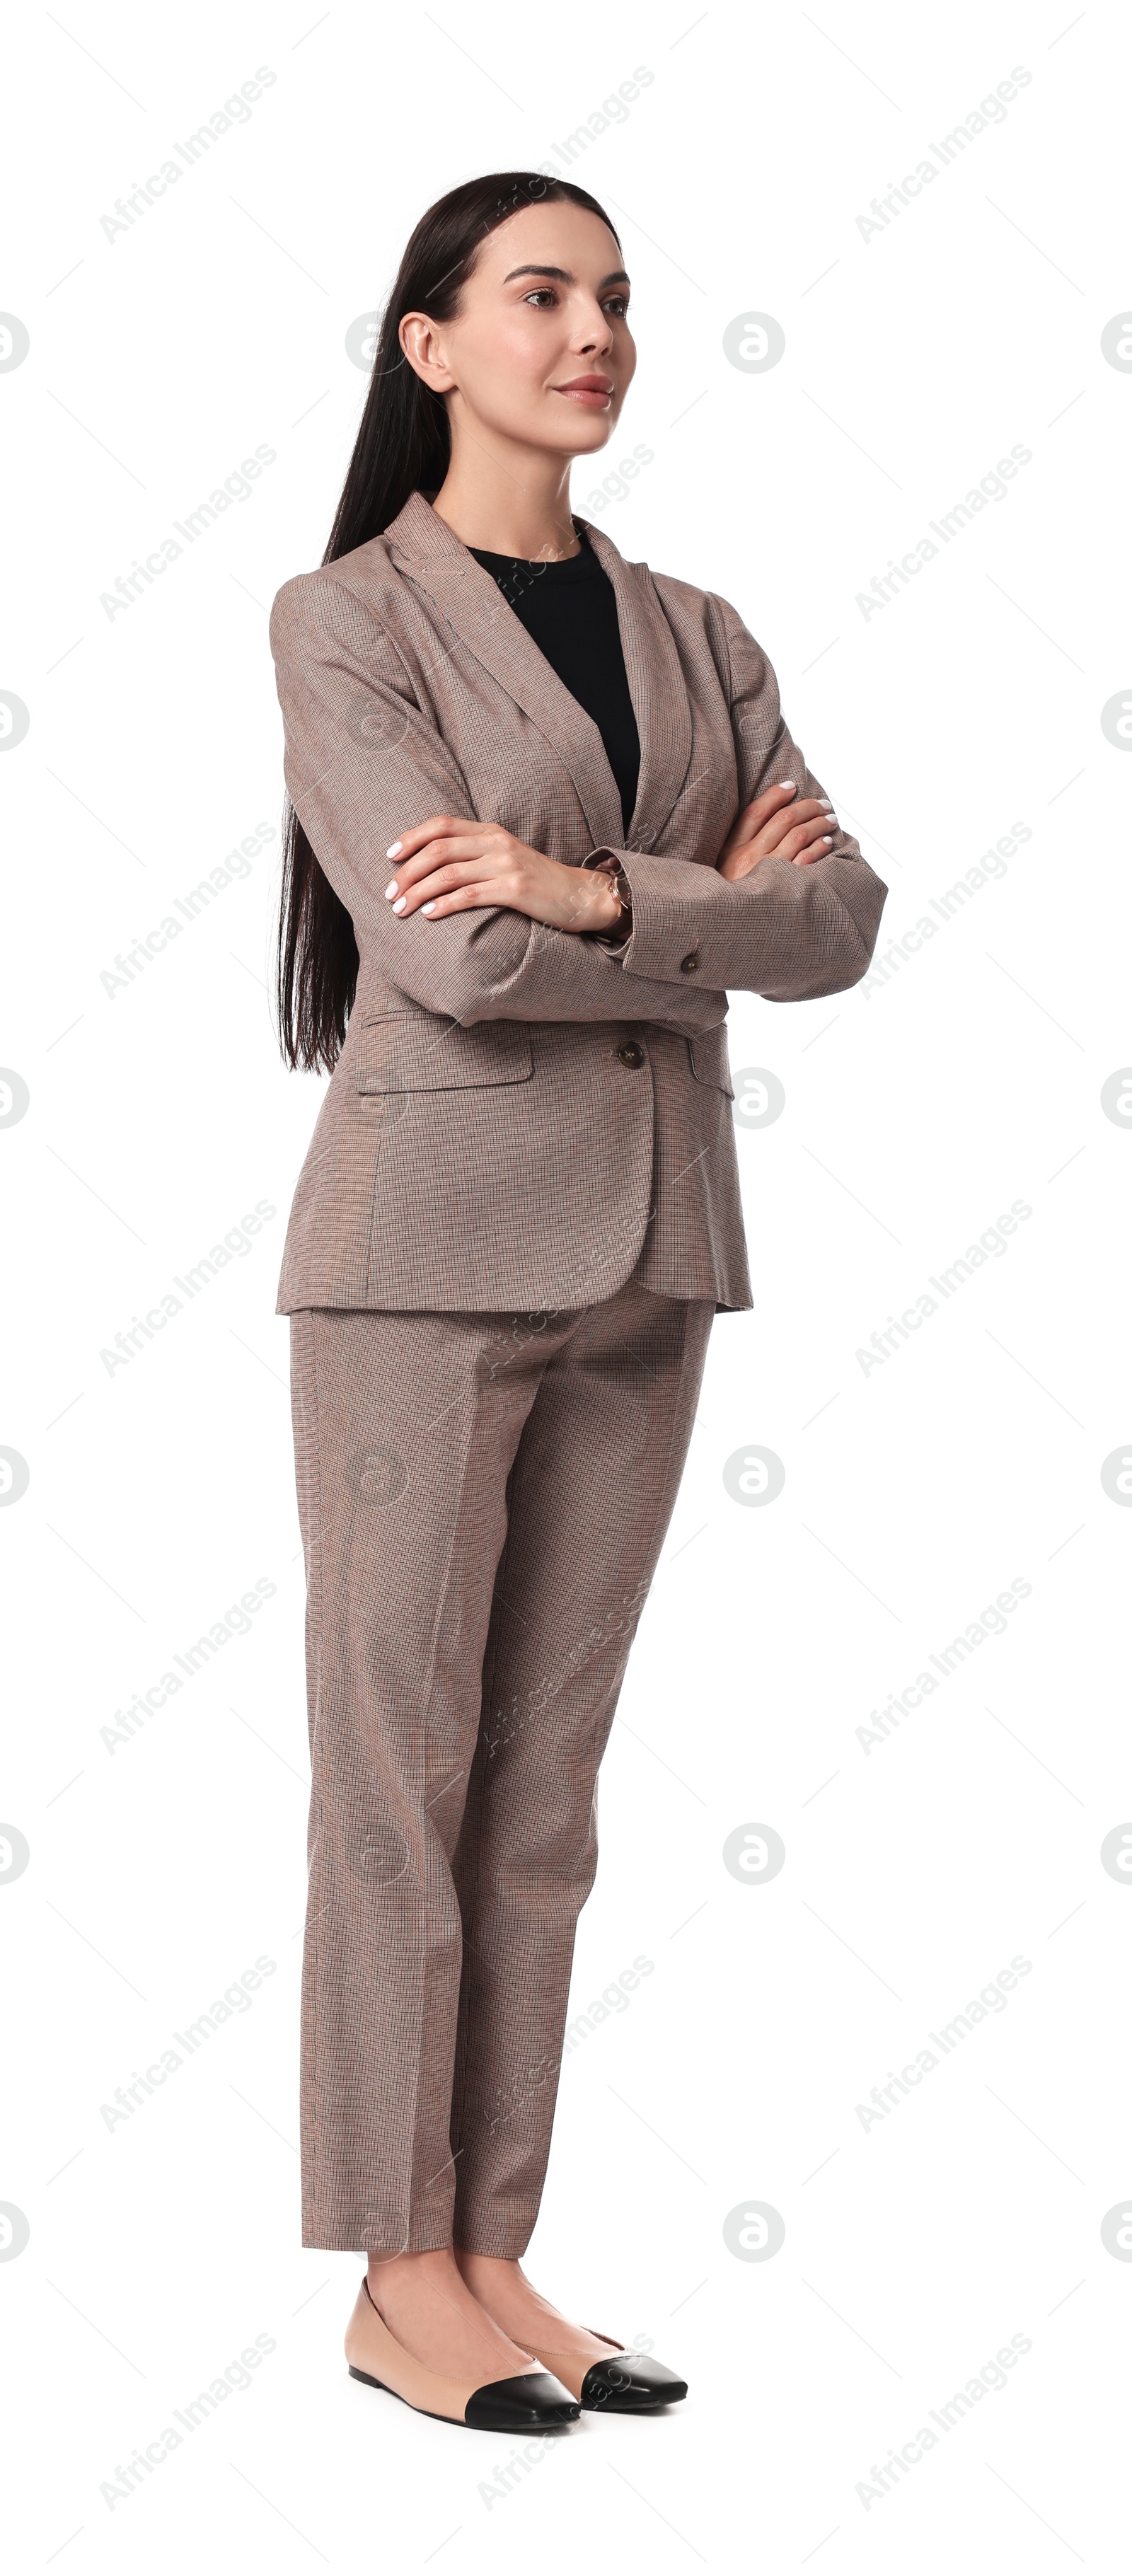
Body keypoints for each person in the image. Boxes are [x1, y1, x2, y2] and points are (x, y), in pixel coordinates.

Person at [270, 169, 886, 2434]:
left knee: (543, 1792)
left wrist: (581, 877)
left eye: (617, 298)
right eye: (541, 294)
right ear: (431, 343)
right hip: (424, 1271)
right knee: (396, 1781)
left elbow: (845, 922)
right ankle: (389, 2269)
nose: (594, 331)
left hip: (653, 1244)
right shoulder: (346, 621)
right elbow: (443, 951)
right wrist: (679, 898)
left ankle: (497, 2242)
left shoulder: (702, 632)